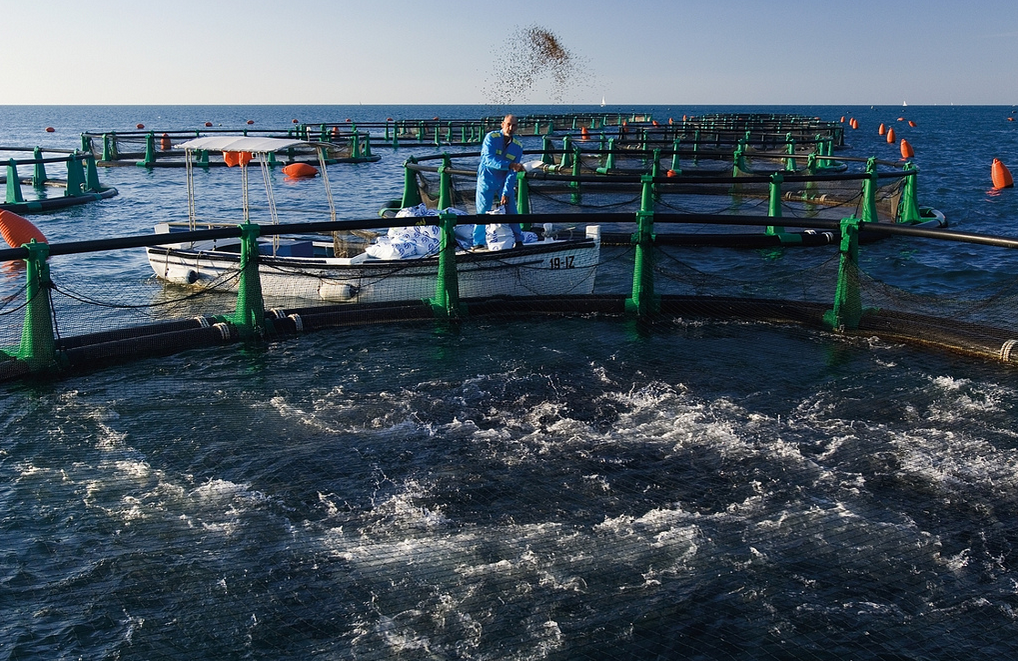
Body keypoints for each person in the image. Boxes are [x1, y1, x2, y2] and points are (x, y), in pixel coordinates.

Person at [474, 114, 525, 248]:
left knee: (511, 210)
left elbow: (513, 172)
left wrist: (506, 192)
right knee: (483, 210)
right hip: (487, 179)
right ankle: (478, 243)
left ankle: (518, 240)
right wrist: (509, 165)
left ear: (517, 127)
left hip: (504, 181)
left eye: (514, 125)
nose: (510, 128)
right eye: (508, 124)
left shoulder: (518, 146)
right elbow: (488, 159)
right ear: (502, 124)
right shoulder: (491, 137)